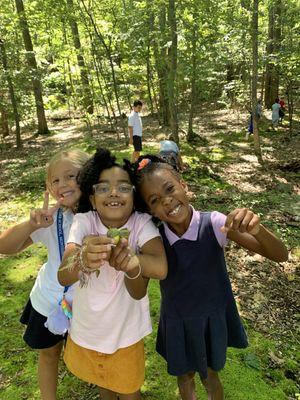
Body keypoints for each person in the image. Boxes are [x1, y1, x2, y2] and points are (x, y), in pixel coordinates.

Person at [125, 155, 288, 400]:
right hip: (178, 322)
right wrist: (130, 262)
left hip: (212, 319)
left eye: (170, 189)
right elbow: (137, 291)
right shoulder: (154, 242)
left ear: (184, 185)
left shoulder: (214, 223)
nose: (167, 201)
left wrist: (257, 229)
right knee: (185, 377)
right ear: (151, 211)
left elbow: (281, 255)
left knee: (211, 377)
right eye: (155, 200)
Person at [57, 148, 167, 400]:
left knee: (129, 391)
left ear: (134, 196)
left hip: (126, 336)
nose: (114, 192)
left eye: (123, 187)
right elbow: (63, 275)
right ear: (93, 199)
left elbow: (160, 267)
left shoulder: (140, 224)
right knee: (103, 384)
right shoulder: (85, 221)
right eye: (103, 188)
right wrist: (82, 258)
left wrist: (131, 262)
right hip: (88, 331)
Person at [0, 149, 90, 400]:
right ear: (49, 188)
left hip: (90, 305)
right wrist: (32, 224)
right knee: (49, 354)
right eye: (55, 180)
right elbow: (5, 247)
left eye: (71, 176)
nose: (63, 184)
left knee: (95, 356)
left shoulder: (102, 214)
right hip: (50, 302)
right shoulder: (51, 219)